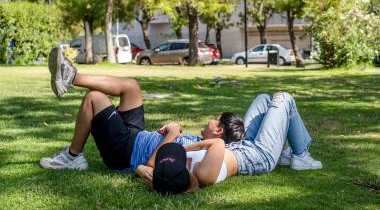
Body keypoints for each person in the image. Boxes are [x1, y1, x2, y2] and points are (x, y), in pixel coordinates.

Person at [39, 47, 245, 172]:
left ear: (218, 130)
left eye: (215, 119)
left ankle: (73, 157)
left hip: (126, 153)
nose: (211, 119)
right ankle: (72, 77)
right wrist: (176, 128)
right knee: (132, 87)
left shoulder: (204, 155)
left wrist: (171, 135)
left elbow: (155, 163)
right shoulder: (201, 143)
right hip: (138, 135)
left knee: (94, 98)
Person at [139, 92, 322, 194]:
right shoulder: (203, 175)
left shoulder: (170, 172)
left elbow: (150, 164)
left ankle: (283, 152)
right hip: (258, 155)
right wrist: (180, 149)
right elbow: (217, 145)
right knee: (284, 98)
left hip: (241, 146)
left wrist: (140, 170)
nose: (171, 159)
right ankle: (301, 155)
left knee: (263, 99)